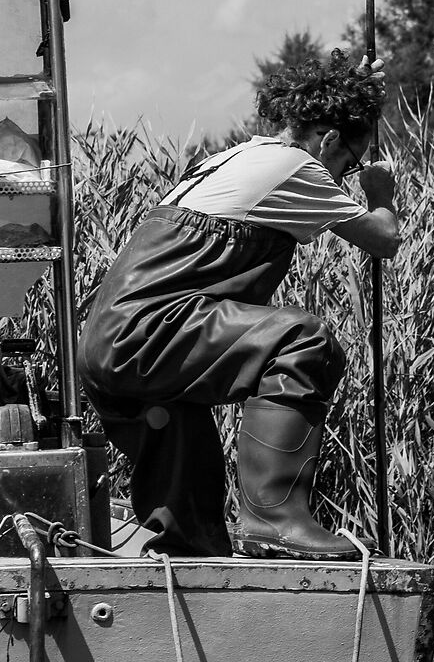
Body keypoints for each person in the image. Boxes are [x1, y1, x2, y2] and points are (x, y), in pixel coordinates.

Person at [78, 56, 401, 557]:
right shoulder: (297, 165)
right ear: (329, 140)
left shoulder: (234, 158)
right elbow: (382, 238)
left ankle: (193, 573)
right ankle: (275, 520)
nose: (345, 175)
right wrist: (380, 192)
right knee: (301, 340)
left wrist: (358, 88)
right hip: (151, 331)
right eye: (350, 163)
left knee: (191, 524)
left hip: (112, 342)